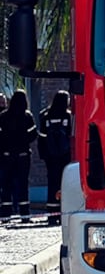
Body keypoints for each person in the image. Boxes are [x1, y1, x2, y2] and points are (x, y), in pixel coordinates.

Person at [0, 89, 38, 222]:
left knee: (6, 184)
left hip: (7, 155)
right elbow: (34, 134)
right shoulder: (27, 116)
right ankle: (24, 214)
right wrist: (23, 141)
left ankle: (5, 214)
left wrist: (6, 145)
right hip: (23, 155)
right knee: (23, 184)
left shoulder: (4, 116)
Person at [38, 90, 72, 226]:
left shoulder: (46, 116)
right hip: (65, 155)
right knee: (65, 184)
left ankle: (52, 213)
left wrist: (44, 155)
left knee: (52, 183)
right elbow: (71, 135)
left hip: (50, 156)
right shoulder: (68, 116)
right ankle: (64, 212)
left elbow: (41, 138)